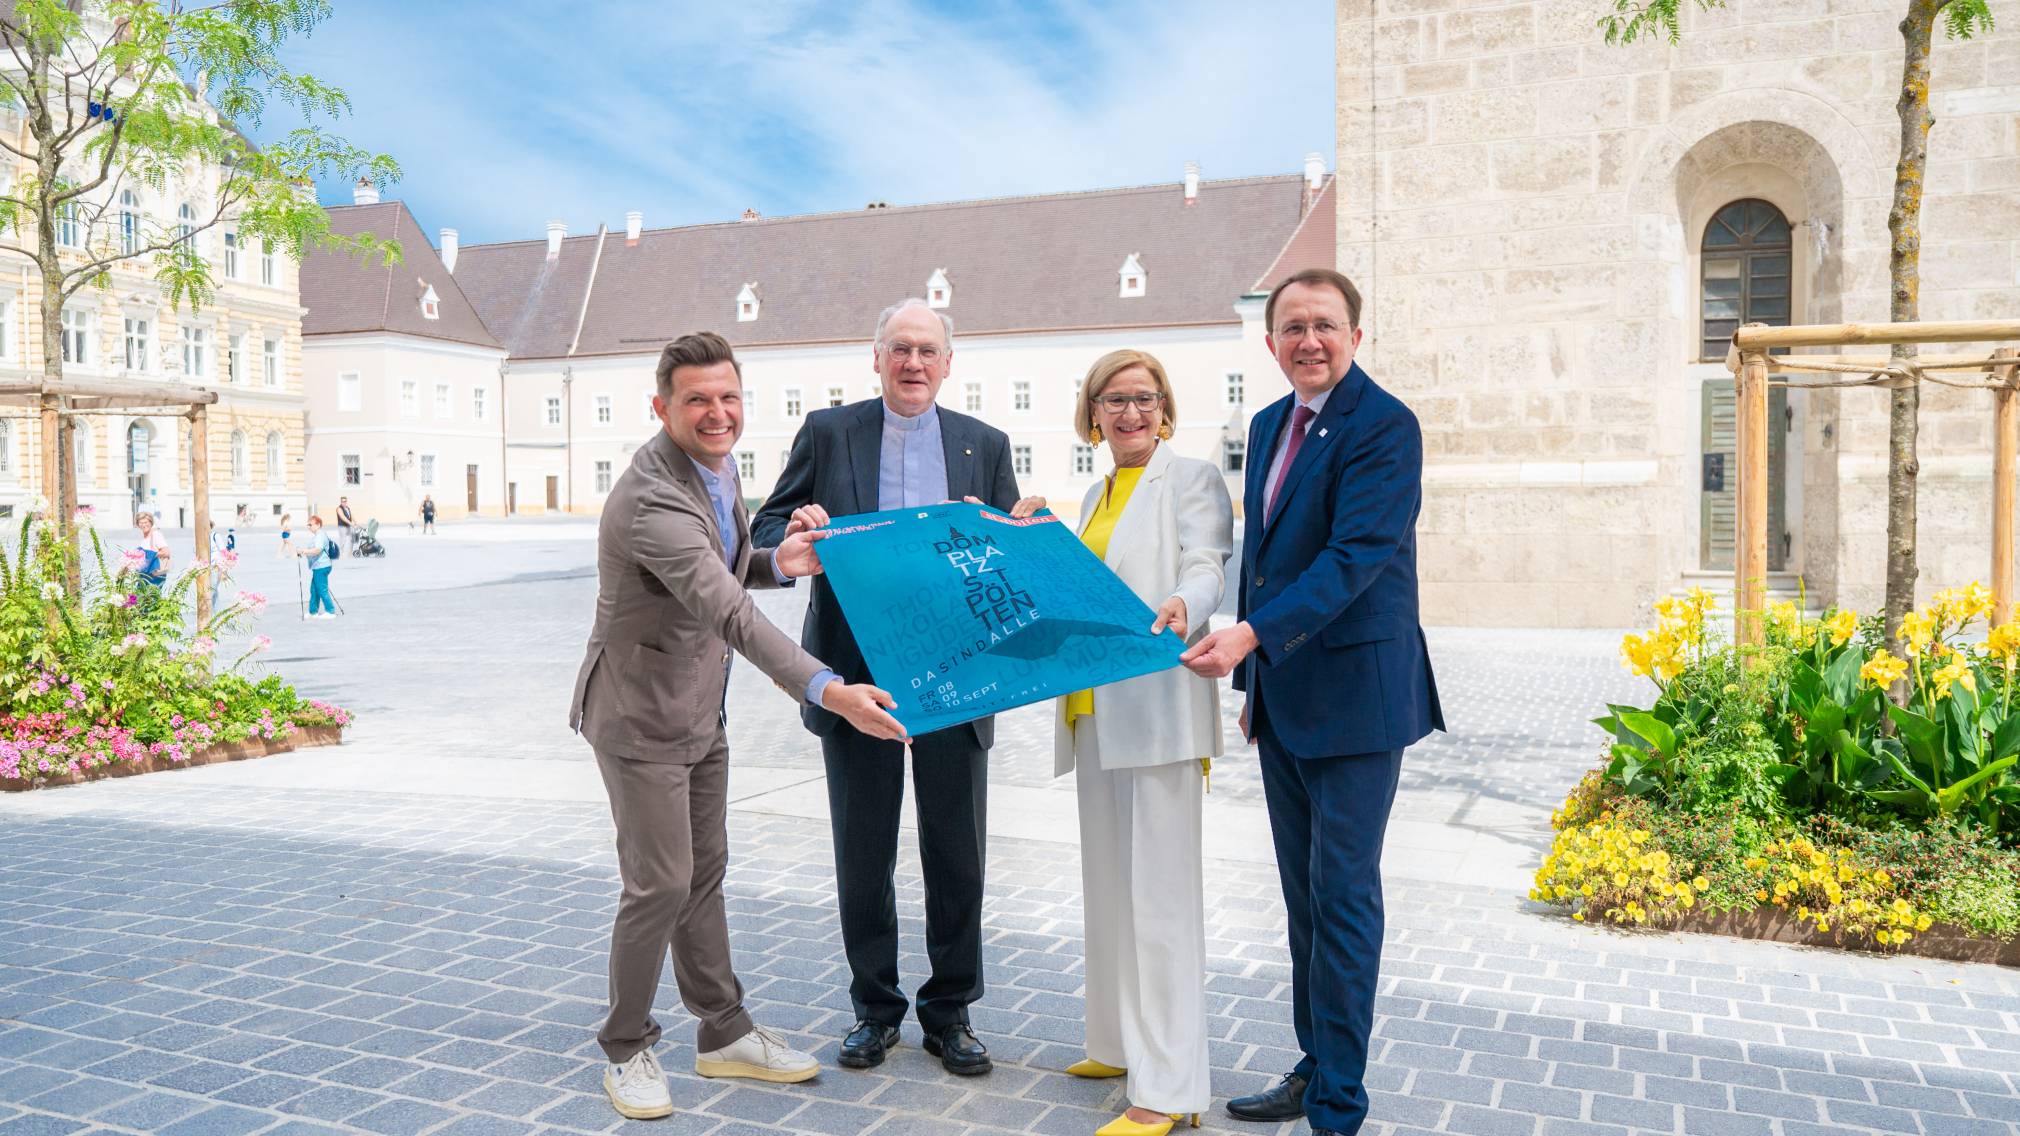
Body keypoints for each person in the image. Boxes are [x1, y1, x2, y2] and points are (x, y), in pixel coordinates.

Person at [568, 331, 911, 1121]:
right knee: (659, 883)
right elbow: (726, 610)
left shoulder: (715, 471)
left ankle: (722, 1031)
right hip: (638, 714)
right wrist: (829, 689)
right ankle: (625, 1045)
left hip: (697, 707)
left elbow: (731, 566)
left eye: (728, 397)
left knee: (704, 875)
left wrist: (778, 560)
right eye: (697, 400)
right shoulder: (652, 495)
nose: (717, 413)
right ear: (662, 408)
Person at [1180, 269, 1443, 1136]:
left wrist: (1250, 639)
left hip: (1359, 701)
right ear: (1271, 343)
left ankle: (1339, 1103)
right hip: (1286, 697)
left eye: (1324, 325)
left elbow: (1352, 558)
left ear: (1355, 336)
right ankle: (1315, 1061)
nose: (1308, 341)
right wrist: (1256, 678)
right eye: (1292, 327)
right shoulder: (1265, 424)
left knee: (1345, 895)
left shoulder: (1385, 426)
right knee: (1302, 897)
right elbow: (1265, 558)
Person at [753, 298, 1029, 1077]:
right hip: (855, 676)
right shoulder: (830, 432)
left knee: (958, 852)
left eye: (927, 351)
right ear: (876, 359)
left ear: (949, 365)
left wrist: (1011, 531)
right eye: (899, 349)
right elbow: (767, 530)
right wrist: (796, 535)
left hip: (958, 675)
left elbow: (1009, 558)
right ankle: (874, 1010)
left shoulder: (986, 444)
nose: (913, 363)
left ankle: (951, 1013)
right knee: (864, 850)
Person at [1055, 350, 1231, 1136]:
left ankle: (1170, 1088)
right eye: (1113, 400)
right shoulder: (1095, 492)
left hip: (1158, 707)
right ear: (1093, 412)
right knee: (1110, 889)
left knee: (1160, 902)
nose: (1129, 412)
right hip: (1092, 712)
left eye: (1143, 398)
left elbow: (1208, 562)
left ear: (1165, 408)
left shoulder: (1189, 478)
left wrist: (1185, 603)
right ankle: (1120, 1043)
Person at [296, 515, 338, 619]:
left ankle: (330, 611)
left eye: (311, 524)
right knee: (314, 590)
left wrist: (304, 551)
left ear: (318, 525)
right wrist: (304, 552)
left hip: (322, 566)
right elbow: (314, 550)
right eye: (308, 525)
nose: (309, 527)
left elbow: (317, 550)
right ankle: (313, 612)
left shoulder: (320, 535)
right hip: (318, 566)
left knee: (322, 589)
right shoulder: (318, 535)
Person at [134, 511, 170, 591]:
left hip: (154, 574)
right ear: (137, 524)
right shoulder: (145, 538)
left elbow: (166, 552)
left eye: (146, 522)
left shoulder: (156, 535)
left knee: (150, 597)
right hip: (146, 574)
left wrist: (147, 555)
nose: (144, 525)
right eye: (141, 523)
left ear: (151, 523)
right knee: (140, 598)